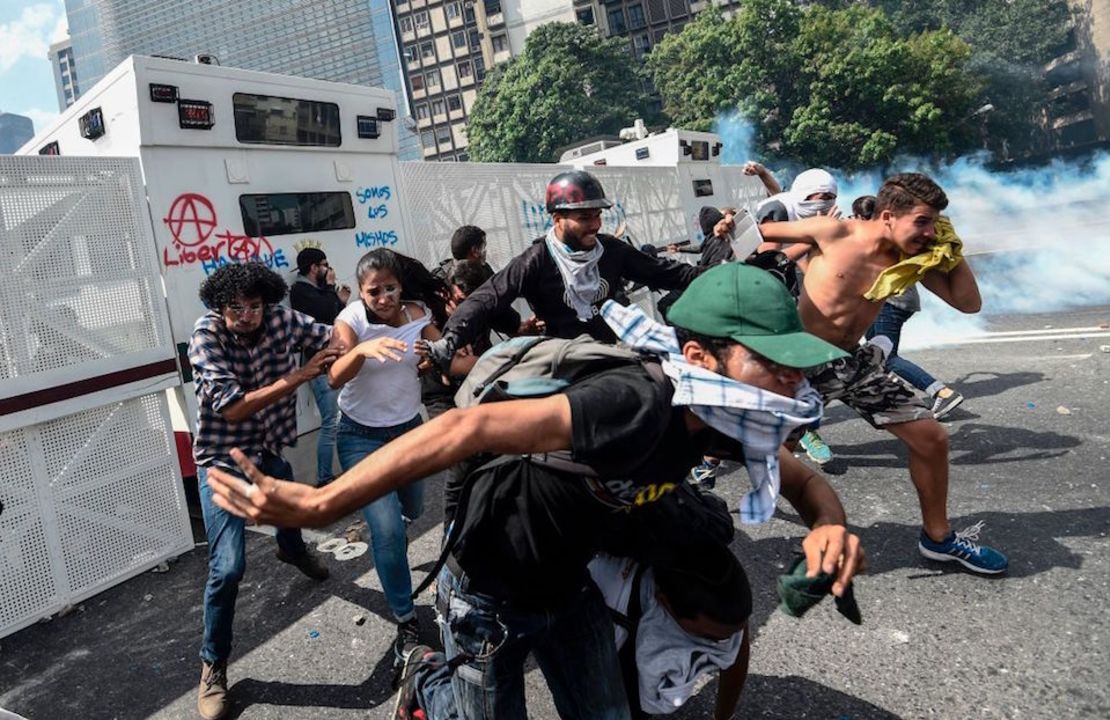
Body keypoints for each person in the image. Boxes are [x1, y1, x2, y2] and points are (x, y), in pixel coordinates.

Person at [205, 263, 865, 720]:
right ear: (700, 360)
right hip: (486, 594)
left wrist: (829, 523)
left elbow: (801, 476)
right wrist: (322, 504)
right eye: (770, 363)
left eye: (792, 366)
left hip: (568, 587)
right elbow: (472, 425)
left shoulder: (727, 417)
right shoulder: (637, 402)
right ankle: (426, 681)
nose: (787, 383)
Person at [760, 172, 1008, 575]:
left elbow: (969, 303)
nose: (931, 232)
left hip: (850, 362)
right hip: (796, 361)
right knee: (768, 451)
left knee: (932, 437)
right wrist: (730, 228)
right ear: (889, 215)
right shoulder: (833, 231)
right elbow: (761, 227)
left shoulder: (912, 257)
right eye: (924, 222)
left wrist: (952, 250)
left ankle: (938, 539)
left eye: (937, 224)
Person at [188, 262, 342, 720]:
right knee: (229, 567)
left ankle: (291, 550)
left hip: (270, 449)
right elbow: (232, 409)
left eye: (255, 306)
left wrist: (363, 329)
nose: (247, 315)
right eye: (236, 308)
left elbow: (333, 336)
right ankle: (213, 664)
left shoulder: (281, 318)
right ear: (220, 306)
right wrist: (298, 377)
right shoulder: (206, 335)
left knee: (292, 516)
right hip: (222, 460)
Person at [327, 248, 470, 668]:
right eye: (374, 291)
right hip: (360, 439)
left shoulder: (417, 315)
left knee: (413, 508)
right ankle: (406, 622)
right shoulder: (350, 320)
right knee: (388, 532)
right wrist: (360, 353)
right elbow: (335, 377)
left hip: (408, 432)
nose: (384, 298)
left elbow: (453, 361)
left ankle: (391, 524)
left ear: (400, 286)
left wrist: (511, 354)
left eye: (390, 288)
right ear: (361, 292)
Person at [420, 170, 701, 368]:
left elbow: (668, 272)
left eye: (598, 216)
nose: (595, 225)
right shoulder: (535, 260)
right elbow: (486, 298)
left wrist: (724, 273)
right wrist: (450, 341)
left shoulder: (612, 251)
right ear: (558, 218)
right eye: (584, 218)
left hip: (617, 356)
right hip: (568, 366)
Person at [589, 546, 752, 719]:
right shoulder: (604, 601)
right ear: (664, 603)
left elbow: (735, 655)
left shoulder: (721, 601)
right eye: (710, 637)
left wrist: (724, 717)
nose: (728, 641)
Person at [755, 168, 842, 466]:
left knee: (805, 372)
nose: (824, 203)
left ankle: (804, 430)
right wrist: (817, 238)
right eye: (819, 198)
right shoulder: (777, 209)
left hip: (788, 300)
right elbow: (766, 262)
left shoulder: (809, 215)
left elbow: (804, 263)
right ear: (803, 195)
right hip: (759, 304)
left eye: (830, 198)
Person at [853, 196, 966, 419]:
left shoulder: (874, 241)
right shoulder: (890, 234)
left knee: (887, 356)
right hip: (895, 301)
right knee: (873, 355)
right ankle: (894, 401)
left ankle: (942, 392)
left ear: (860, 217)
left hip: (891, 303)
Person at [289, 247, 351, 486]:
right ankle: (324, 477)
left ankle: (347, 469)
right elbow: (324, 312)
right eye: (324, 264)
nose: (328, 269)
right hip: (321, 366)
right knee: (331, 423)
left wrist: (340, 301)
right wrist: (331, 290)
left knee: (343, 419)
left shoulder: (314, 290)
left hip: (334, 361)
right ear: (314, 268)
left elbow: (334, 321)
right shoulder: (301, 291)